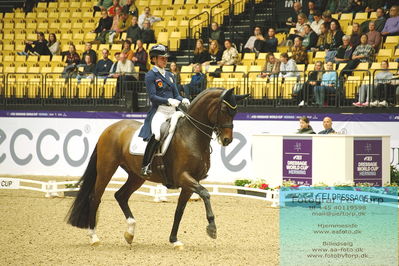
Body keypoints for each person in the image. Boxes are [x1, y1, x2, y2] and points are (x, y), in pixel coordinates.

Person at [138, 44, 190, 177]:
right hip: (160, 111)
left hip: (173, 111)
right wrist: (167, 101)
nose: (165, 61)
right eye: (162, 58)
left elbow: (176, 94)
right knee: (157, 135)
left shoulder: (170, 75)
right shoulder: (150, 75)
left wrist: (182, 99)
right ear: (154, 59)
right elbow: (153, 97)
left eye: (166, 58)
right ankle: (146, 164)